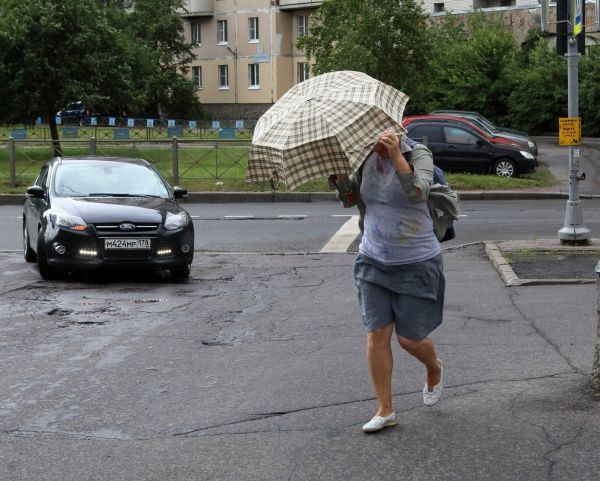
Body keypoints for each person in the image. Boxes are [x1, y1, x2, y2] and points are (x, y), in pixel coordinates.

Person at [330, 131, 446, 433]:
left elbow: (419, 192)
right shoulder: (363, 159)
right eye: (371, 139)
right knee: (376, 334)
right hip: (372, 259)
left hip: (417, 261)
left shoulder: (417, 154)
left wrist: (396, 157)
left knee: (410, 339)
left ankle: (434, 367)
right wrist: (340, 175)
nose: (376, 144)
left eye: (382, 138)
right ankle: (385, 409)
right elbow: (350, 200)